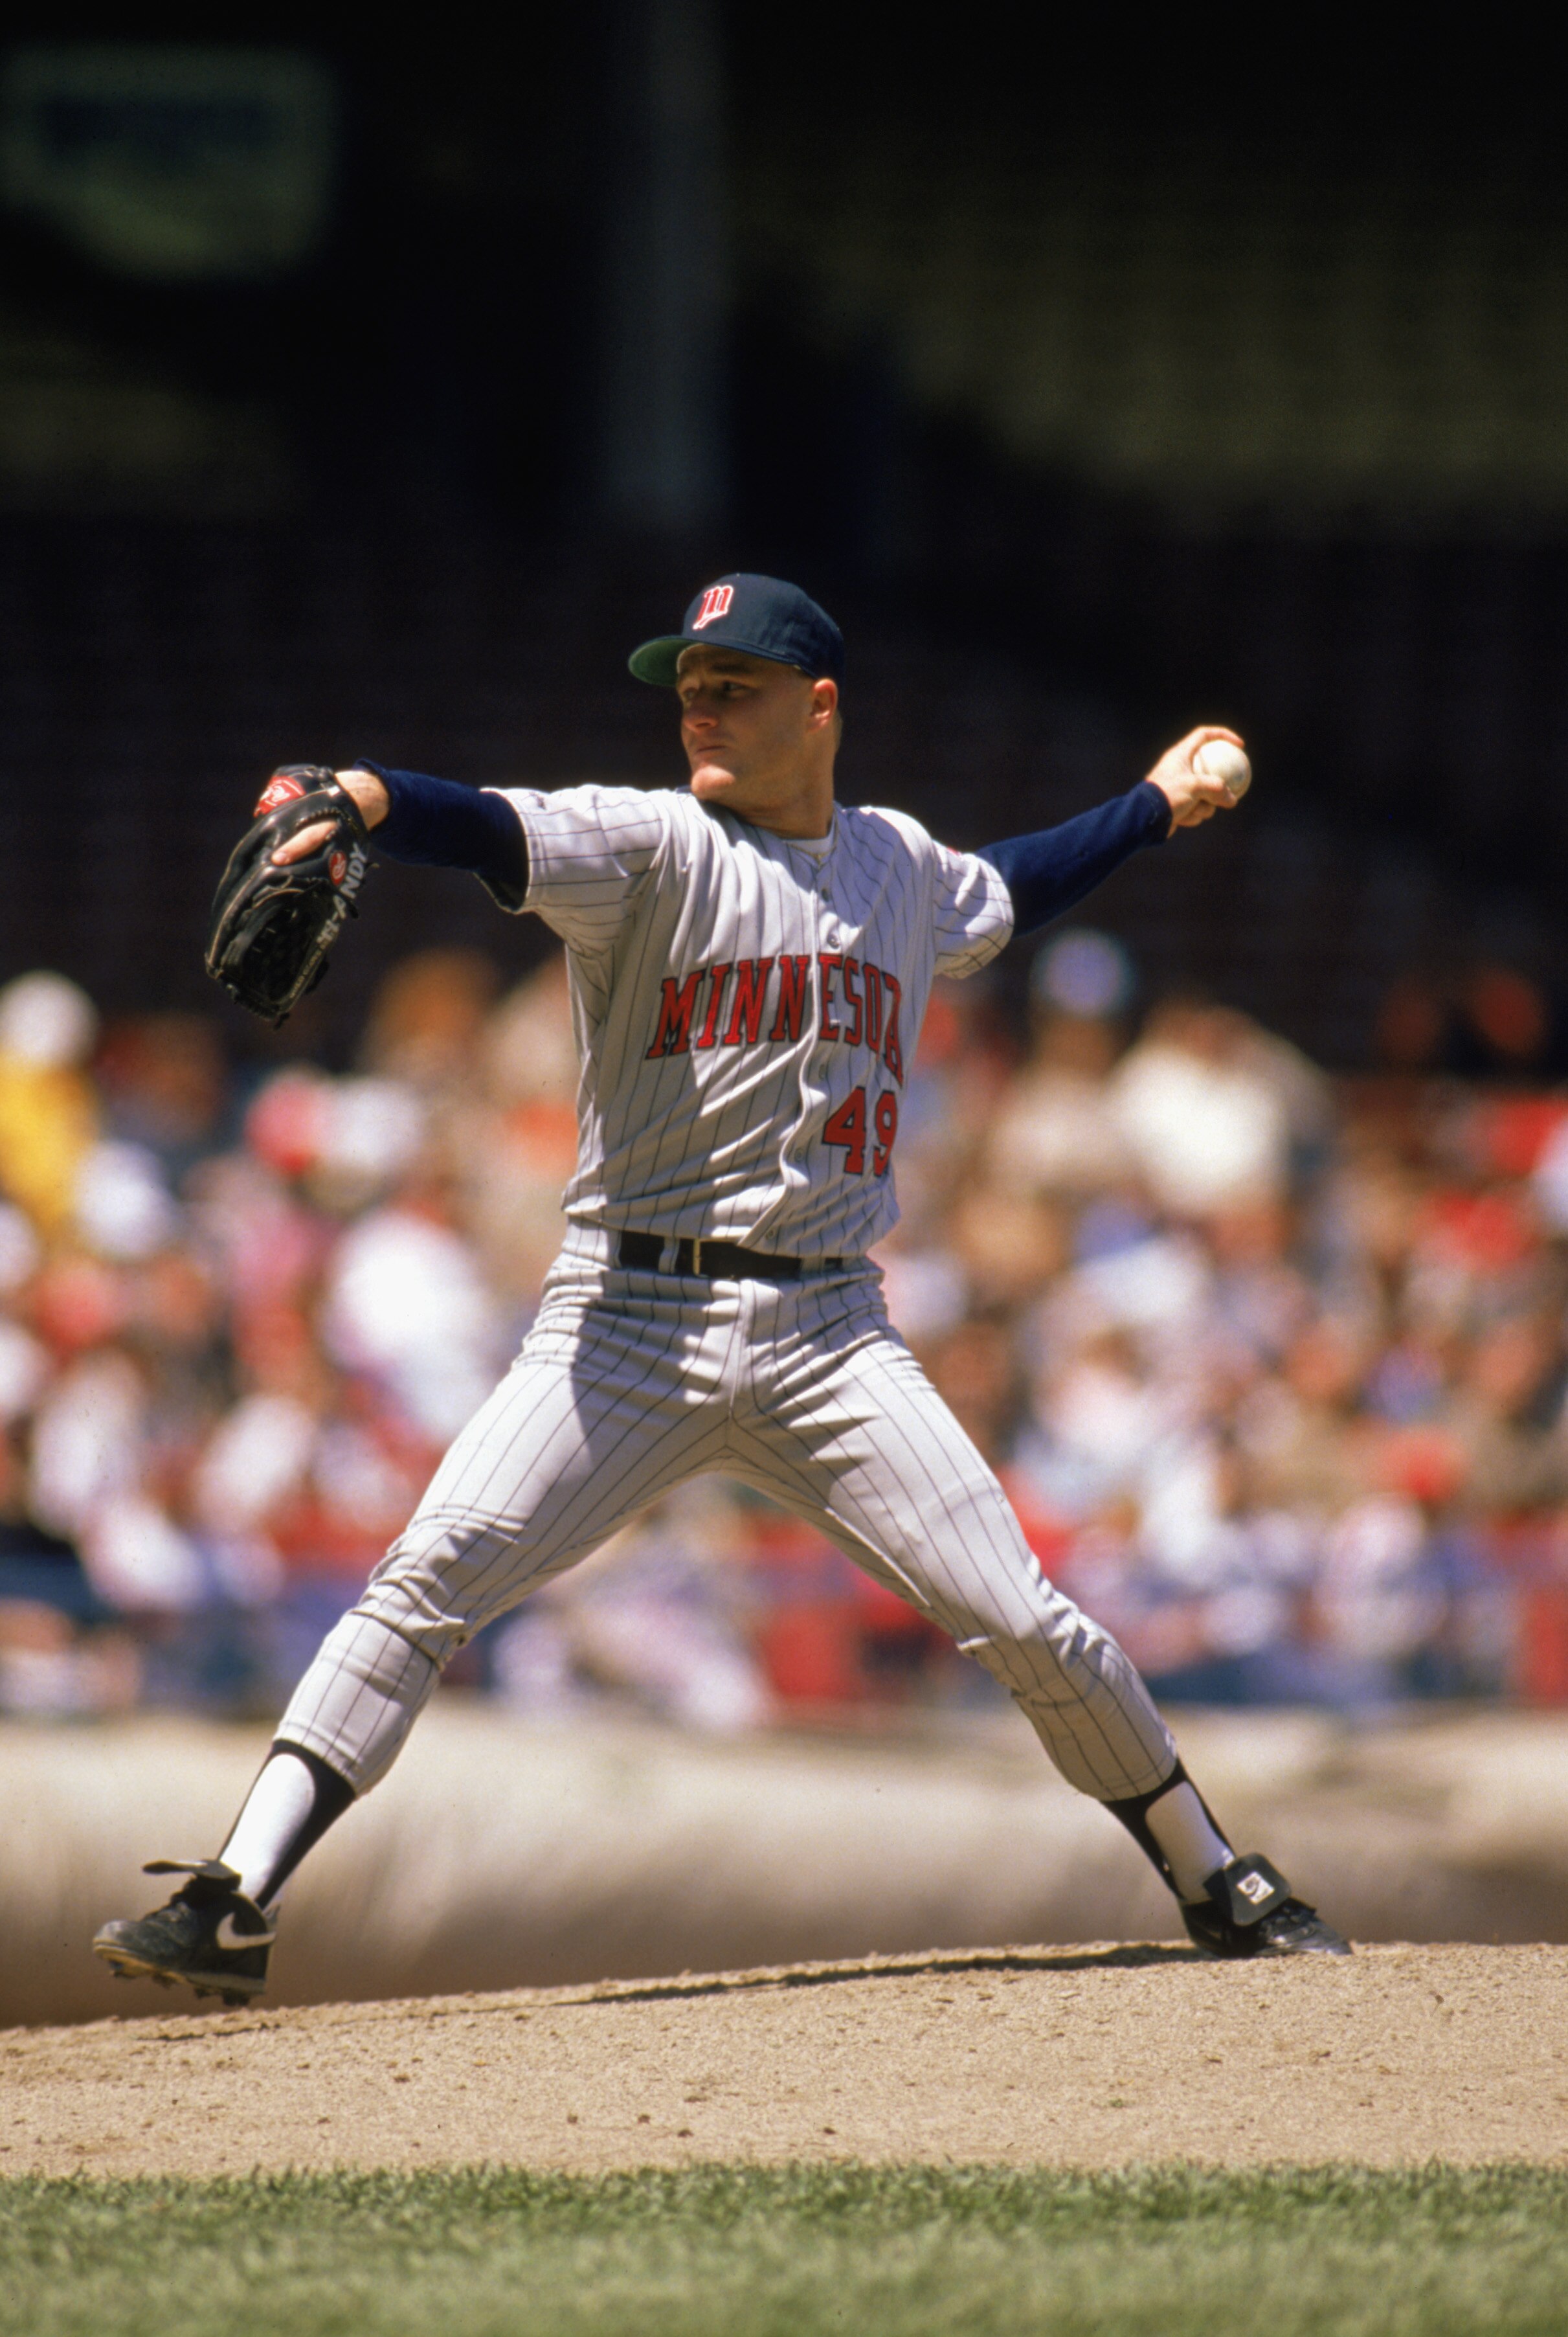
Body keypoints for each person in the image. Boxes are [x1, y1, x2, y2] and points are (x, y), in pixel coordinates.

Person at [94, 574, 1347, 2004]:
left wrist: (1154, 802)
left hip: (829, 1332)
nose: (698, 700)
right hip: (624, 1318)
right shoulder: (648, 843)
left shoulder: (898, 864)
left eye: (733, 682)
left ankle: (1214, 1876)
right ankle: (234, 1889)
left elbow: (1017, 882)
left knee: (1022, 1617)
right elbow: (495, 822)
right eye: (688, 680)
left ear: (819, 707)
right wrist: (371, 798)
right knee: (424, 1575)